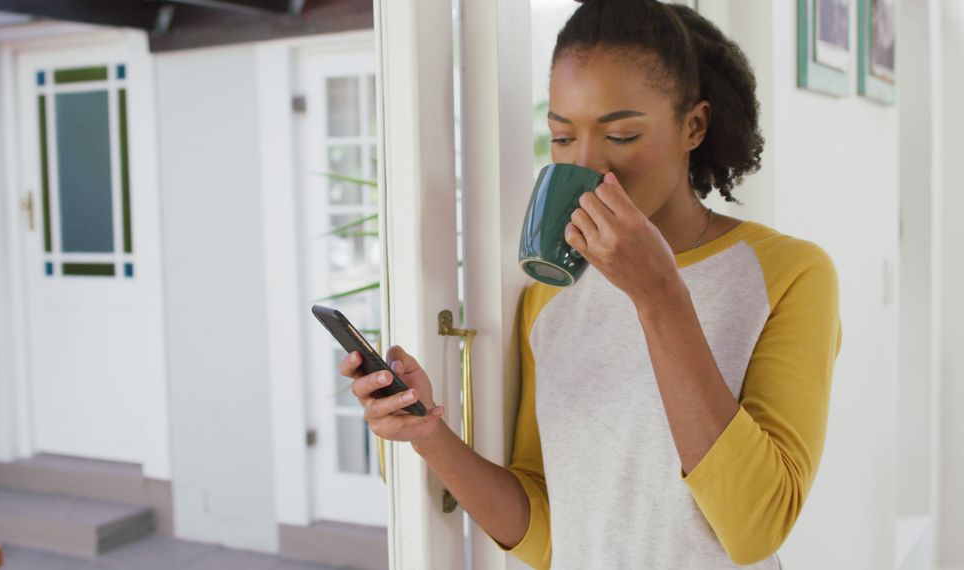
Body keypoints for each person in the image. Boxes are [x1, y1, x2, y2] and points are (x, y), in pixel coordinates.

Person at [339, 0, 843, 567]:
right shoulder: (550, 296)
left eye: (622, 135)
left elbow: (758, 527)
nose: (586, 167)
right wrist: (428, 432)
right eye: (560, 138)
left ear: (693, 126)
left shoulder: (788, 274)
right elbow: (552, 529)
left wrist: (659, 296)